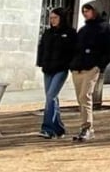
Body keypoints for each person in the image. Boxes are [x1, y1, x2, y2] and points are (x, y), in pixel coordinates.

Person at [69, 1, 110, 143]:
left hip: (92, 68)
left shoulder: (106, 28)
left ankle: (87, 128)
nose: (85, 13)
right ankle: (84, 127)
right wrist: (72, 64)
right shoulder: (83, 30)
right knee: (81, 99)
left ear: (95, 11)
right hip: (78, 68)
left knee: (85, 96)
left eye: (88, 10)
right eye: (84, 11)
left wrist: (99, 65)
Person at [36, 8, 76, 139]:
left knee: (50, 96)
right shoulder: (47, 33)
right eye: (51, 17)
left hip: (61, 69)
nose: (52, 20)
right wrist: (41, 62)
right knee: (51, 98)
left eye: (55, 17)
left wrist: (69, 65)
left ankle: (48, 128)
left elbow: (73, 51)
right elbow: (42, 48)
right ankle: (58, 128)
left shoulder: (70, 33)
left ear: (61, 18)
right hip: (47, 69)